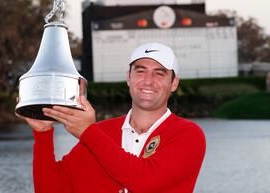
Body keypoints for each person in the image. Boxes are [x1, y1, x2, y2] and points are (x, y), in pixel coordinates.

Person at [17, 42, 206, 193]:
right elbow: (50, 190)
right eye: (140, 71)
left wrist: (88, 132)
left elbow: (144, 182)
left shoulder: (188, 134)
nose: (148, 81)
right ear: (128, 78)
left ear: (174, 83)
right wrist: (43, 134)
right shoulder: (101, 133)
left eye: (159, 73)